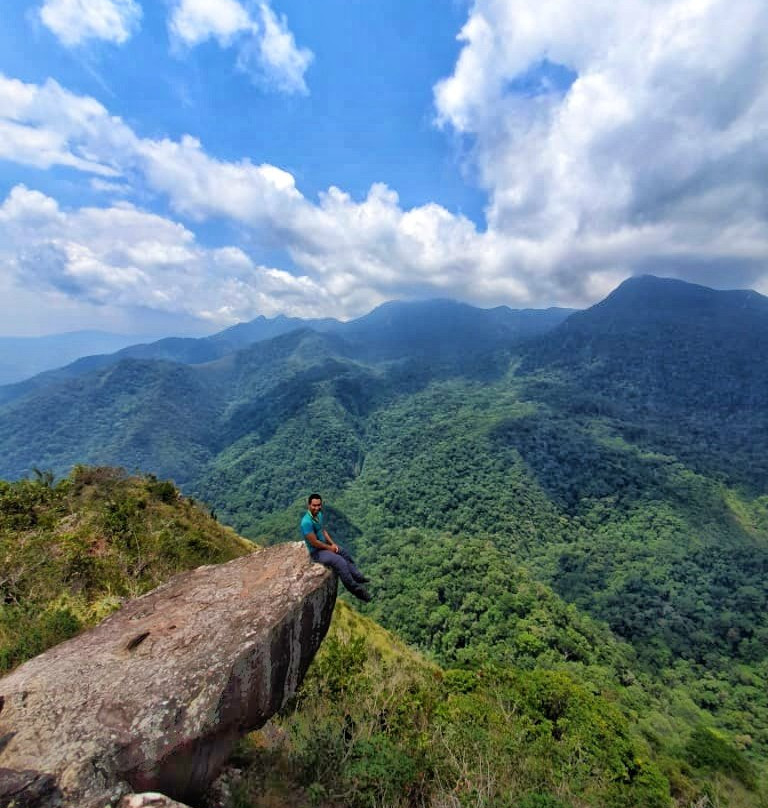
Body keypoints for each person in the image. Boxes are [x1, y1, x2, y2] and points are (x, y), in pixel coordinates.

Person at [300, 494, 371, 602]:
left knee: (344, 552)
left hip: (325, 547)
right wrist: (329, 548)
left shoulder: (319, 515)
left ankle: (358, 576)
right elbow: (314, 542)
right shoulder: (306, 522)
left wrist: (333, 544)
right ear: (309, 505)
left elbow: (323, 531)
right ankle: (358, 592)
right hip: (317, 552)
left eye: (319, 505)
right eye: (314, 505)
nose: (316, 508)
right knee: (340, 562)